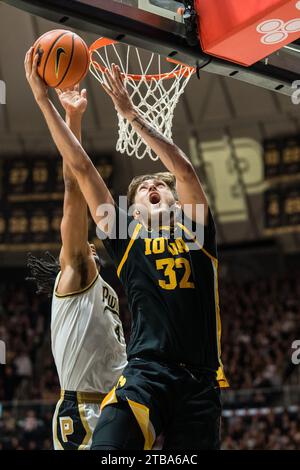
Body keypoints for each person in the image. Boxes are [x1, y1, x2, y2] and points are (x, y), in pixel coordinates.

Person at [24, 48, 228, 450]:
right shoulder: (126, 236)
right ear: (130, 211)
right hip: (145, 374)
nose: (152, 188)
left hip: (200, 383)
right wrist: (43, 99)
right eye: (141, 191)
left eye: (160, 187)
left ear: (174, 200)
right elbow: (79, 169)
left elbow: (183, 170)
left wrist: (132, 114)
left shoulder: (197, 231)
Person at [26, 83, 127, 450]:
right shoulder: (76, 270)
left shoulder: (102, 286)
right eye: (83, 240)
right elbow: (73, 185)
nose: (89, 242)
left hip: (116, 404)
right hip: (86, 410)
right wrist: (70, 116)